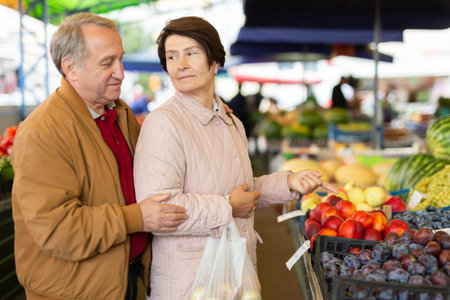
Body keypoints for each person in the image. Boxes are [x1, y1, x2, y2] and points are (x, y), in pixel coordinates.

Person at [133, 16, 337, 300]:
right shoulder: (163, 124)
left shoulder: (231, 122)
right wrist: (228, 206)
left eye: (191, 53)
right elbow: (160, 208)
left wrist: (288, 183)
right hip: (190, 281)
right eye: (171, 56)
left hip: (235, 272)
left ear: (215, 61)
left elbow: (241, 189)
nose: (180, 64)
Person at [11, 13, 188, 300]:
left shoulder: (120, 113)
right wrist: (137, 218)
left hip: (122, 279)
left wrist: (209, 111)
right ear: (71, 68)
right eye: (107, 63)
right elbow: (58, 229)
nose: (121, 72)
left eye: (120, 59)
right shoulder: (43, 132)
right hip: (76, 291)